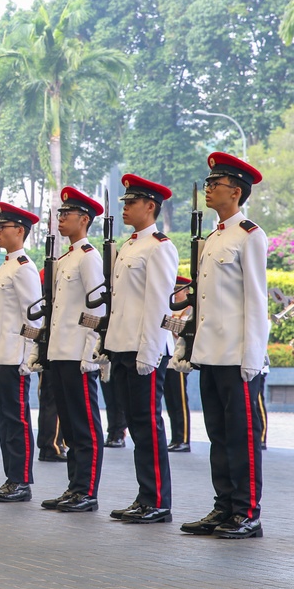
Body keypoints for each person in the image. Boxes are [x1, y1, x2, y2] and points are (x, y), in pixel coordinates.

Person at [178, 152, 268, 539]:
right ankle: (224, 506)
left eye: (216, 184)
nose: (209, 189)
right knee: (217, 435)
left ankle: (247, 512)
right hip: (211, 353)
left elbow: (256, 300)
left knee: (241, 437)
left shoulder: (250, 234)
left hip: (236, 354)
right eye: (209, 183)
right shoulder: (214, 237)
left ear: (236, 191)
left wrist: (252, 355)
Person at [104, 174, 177, 524]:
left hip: (143, 349)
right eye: (124, 203)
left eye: (131, 203)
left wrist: (149, 352)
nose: (126, 209)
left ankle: (157, 499)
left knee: (148, 424)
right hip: (122, 345)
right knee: (135, 424)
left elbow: (157, 305)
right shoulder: (128, 246)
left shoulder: (159, 247)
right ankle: (144, 495)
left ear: (150, 206)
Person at [34, 187, 105, 513]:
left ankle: (86, 491)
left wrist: (91, 352)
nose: (60, 219)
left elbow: (98, 307)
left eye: (67, 214)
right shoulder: (65, 259)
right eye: (59, 214)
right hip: (60, 352)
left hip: (77, 353)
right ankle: (74, 487)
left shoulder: (90, 256)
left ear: (84, 219)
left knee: (84, 426)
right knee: (70, 425)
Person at [0, 202, 41, 503]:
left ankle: (21, 481)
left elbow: (34, 318)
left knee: (16, 420)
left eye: (3, 227)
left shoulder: (25, 269)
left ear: (20, 231)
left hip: (14, 356)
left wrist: (29, 355)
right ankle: (10, 477)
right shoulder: (6, 265)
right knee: (4, 419)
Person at [165, 276, 193, 453]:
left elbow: (184, 329)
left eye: (178, 290)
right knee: (170, 400)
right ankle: (175, 437)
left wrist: (166, 322)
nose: (175, 294)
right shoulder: (170, 309)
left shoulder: (190, 309)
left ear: (187, 291)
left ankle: (183, 438)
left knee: (180, 401)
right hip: (167, 360)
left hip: (180, 359)